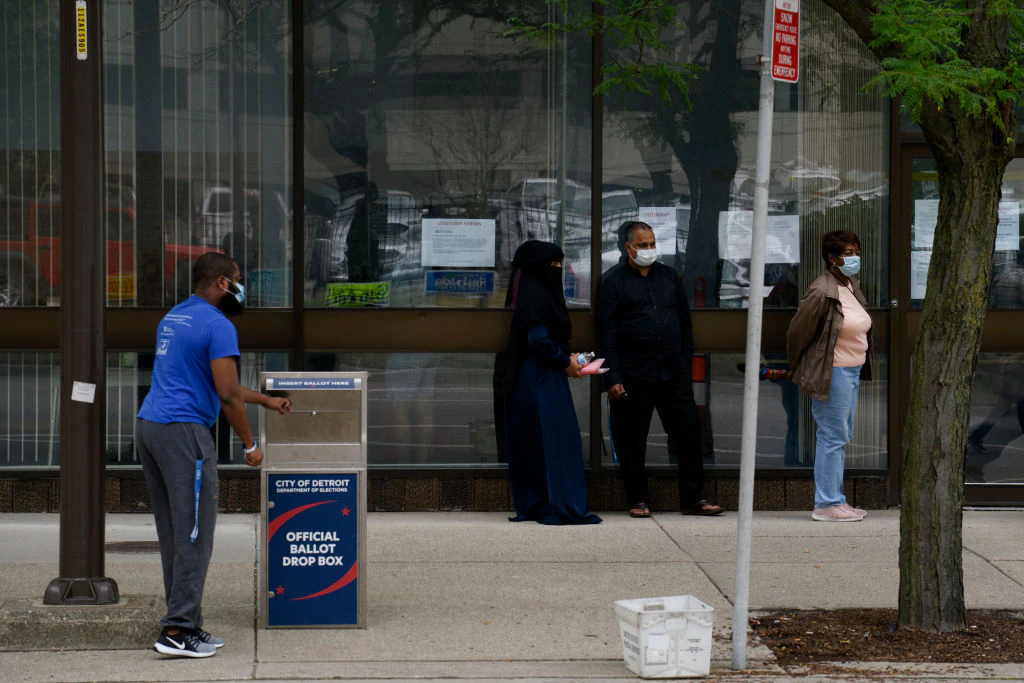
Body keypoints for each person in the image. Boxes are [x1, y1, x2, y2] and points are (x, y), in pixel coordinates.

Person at [136, 252, 291, 657]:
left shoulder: (175, 316)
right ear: (222, 283)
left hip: (151, 426)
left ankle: (187, 622)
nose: (242, 286)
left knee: (174, 532)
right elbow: (224, 394)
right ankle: (176, 630)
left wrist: (265, 401)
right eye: (238, 279)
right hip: (185, 434)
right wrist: (250, 445)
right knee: (195, 535)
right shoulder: (218, 326)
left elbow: (216, 384)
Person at [597, 221, 722, 518]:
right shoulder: (613, 281)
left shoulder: (668, 277)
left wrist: (684, 358)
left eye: (652, 243)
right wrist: (612, 377)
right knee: (632, 441)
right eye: (642, 245)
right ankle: (638, 499)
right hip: (632, 374)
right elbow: (607, 333)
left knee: (689, 434)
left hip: (672, 372)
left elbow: (684, 321)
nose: (649, 250)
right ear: (627, 247)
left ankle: (694, 499)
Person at [503, 240, 602, 525]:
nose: (558, 270)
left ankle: (539, 502)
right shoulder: (538, 295)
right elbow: (538, 338)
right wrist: (564, 361)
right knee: (557, 440)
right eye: (554, 265)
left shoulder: (530, 292)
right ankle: (562, 503)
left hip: (533, 375)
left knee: (535, 444)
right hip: (542, 377)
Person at [786, 230, 873, 522]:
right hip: (833, 371)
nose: (854, 258)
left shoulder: (849, 285)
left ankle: (836, 499)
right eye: (848, 253)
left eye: (856, 252)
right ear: (832, 259)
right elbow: (798, 332)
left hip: (850, 369)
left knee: (840, 435)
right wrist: (798, 364)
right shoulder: (822, 290)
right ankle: (826, 503)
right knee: (833, 436)